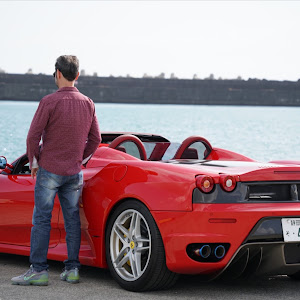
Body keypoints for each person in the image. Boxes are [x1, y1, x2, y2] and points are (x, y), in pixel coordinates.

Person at [11, 55, 101, 286]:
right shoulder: (88, 102)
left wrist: (33, 162)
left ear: (58, 73)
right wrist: (80, 159)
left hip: (49, 169)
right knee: (72, 220)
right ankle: (72, 270)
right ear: (77, 75)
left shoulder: (49, 101)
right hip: (74, 172)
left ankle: (39, 271)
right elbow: (96, 139)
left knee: (41, 219)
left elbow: (33, 136)